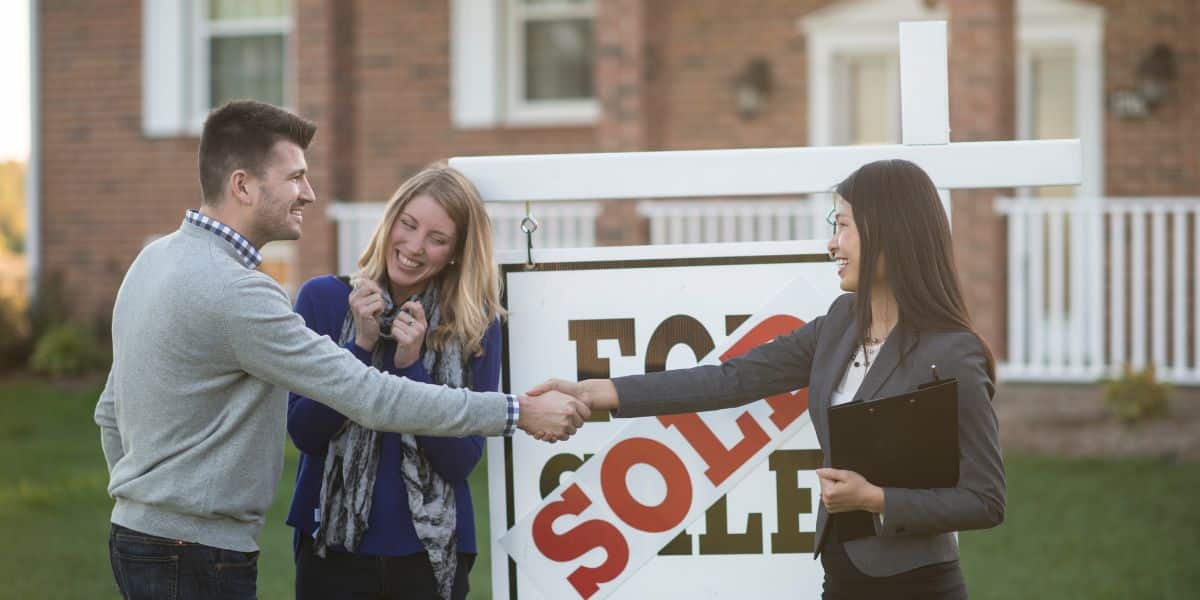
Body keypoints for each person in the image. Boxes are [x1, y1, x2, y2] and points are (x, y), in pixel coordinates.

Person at [93, 100, 588, 600]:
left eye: (437, 238)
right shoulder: (241, 291)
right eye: (295, 178)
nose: (309, 193)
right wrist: (518, 410)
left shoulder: (153, 259)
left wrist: (143, 504)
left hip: (147, 537)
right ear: (243, 185)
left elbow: (111, 410)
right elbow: (366, 398)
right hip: (198, 547)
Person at [531, 159, 1005, 599]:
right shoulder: (840, 323)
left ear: (890, 232)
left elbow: (984, 500)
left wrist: (876, 499)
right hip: (840, 579)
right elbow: (731, 379)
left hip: (917, 586)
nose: (832, 244)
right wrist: (600, 392)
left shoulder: (952, 353)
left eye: (842, 226)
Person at [286, 165, 501, 599]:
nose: (414, 247)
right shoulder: (323, 300)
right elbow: (305, 434)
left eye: (437, 239)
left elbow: (460, 462)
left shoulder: (476, 324)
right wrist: (360, 349)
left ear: (456, 252)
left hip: (432, 553)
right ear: (391, 220)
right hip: (332, 546)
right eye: (409, 225)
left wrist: (411, 367)